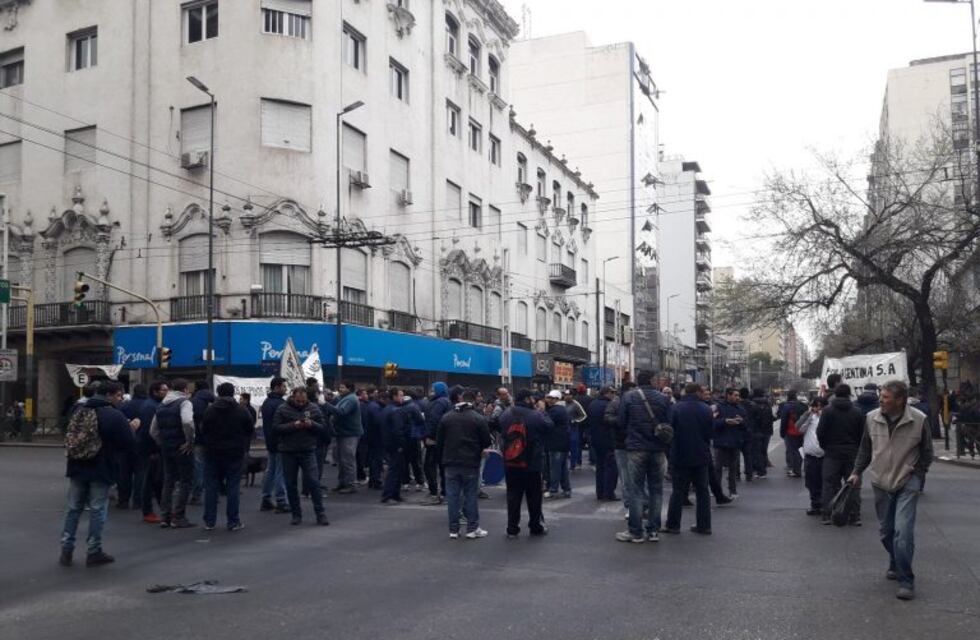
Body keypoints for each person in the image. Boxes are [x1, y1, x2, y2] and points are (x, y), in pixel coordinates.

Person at [848, 380, 933, 601]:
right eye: (881, 396)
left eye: (885, 397)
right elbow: (865, 450)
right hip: (880, 482)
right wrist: (856, 472)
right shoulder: (871, 418)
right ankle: (895, 561)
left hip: (907, 481)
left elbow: (927, 453)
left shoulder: (919, 420)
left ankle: (906, 580)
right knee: (887, 532)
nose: (881, 400)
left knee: (902, 533)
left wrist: (918, 474)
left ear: (900, 400)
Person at [59, 381, 136, 567]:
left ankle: (66, 549)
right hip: (101, 467)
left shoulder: (79, 409)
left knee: (73, 508)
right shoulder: (113, 415)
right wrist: (132, 427)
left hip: (77, 465)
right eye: (118, 395)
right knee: (97, 509)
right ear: (109, 395)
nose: (120, 399)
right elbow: (127, 443)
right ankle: (94, 550)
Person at [616, 371, 671, 543]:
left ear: (637, 381)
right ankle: (653, 531)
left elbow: (621, 422)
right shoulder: (663, 398)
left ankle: (635, 532)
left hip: (636, 448)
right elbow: (669, 422)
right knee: (656, 490)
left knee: (636, 490)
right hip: (658, 449)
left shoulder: (629, 397)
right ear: (653, 380)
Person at [437, 388, 493, 539]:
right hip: (470, 462)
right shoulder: (477, 417)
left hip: (450, 462)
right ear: (473, 400)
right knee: (470, 496)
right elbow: (486, 440)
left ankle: (453, 530)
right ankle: (472, 528)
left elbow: (440, 441)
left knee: (453, 497)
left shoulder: (447, 417)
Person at [200, 382, 255, 531]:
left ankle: (209, 521)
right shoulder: (241, 410)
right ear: (233, 393)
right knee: (233, 486)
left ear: (218, 392)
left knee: (211, 486)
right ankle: (233, 521)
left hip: (212, 451)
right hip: (234, 451)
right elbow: (249, 429)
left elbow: (203, 429)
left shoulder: (210, 410)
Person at [274, 386, 329, 526]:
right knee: (291, 484)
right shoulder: (282, 409)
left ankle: (320, 513)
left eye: (303, 401)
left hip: (308, 450)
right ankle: (296, 514)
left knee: (314, 483)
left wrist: (312, 424)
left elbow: (323, 428)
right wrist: (294, 425)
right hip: (288, 451)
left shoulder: (314, 408)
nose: (301, 404)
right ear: (292, 397)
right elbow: (275, 429)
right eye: (298, 401)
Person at [663, 383, 713, 535]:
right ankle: (704, 525)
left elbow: (670, 430)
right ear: (698, 392)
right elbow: (710, 433)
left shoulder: (676, 408)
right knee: (702, 491)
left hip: (680, 454)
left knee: (678, 491)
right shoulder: (706, 409)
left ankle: (673, 525)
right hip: (701, 454)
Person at [499, 389, 550, 538]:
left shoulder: (506, 414)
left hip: (511, 461)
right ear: (528, 399)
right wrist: (542, 410)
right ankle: (535, 526)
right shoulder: (535, 415)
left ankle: (512, 528)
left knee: (513, 495)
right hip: (532, 462)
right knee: (534, 496)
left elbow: (501, 431)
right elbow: (548, 426)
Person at [149, 378, 197, 529]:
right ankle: (179, 516)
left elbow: (153, 430)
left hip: (167, 447)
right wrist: (189, 441)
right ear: (184, 390)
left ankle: (165, 516)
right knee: (185, 480)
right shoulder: (184, 402)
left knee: (168, 481)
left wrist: (161, 441)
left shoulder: (161, 405)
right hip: (181, 447)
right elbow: (188, 422)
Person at [817, 383, 866, 526]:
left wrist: (825, 446)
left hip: (832, 452)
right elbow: (862, 434)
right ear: (849, 394)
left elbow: (820, 432)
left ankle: (827, 514)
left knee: (829, 484)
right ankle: (854, 515)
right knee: (853, 484)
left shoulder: (827, 411)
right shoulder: (857, 411)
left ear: (835, 395)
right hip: (852, 453)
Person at [321, 381, 363, 494]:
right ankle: (343, 482)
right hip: (342, 433)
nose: (340, 389)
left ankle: (351, 484)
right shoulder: (344, 398)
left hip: (349, 434)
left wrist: (325, 404)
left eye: (343, 387)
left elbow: (341, 412)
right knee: (341, 459)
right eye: (340, 387)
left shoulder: (351, 399)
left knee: (348, 460)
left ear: (349, 389)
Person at [606, 382, 639, 512]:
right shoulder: (615, 403)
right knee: (626, 477)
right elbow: (607, 418)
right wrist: (621, 421)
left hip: (636, 443)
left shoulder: (637, 402)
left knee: (638, 477)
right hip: (621, 443)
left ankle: (640, 504)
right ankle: (629, 505)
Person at [259, 377, 289, 513]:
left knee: (270, 470)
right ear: (277, 387)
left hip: (270, 440)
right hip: (280, 441)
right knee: (280, 472)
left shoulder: (267, 402)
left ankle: (266, 498)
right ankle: (281, 501)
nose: (285, 389)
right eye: (283, 387)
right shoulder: (280, 404)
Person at [115, 384, 148, 510]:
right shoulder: (148, 405)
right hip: (143, 443)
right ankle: (137, 501)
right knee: (140, 473)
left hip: (126, 443)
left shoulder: (124, 406)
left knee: (124, 473)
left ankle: (123, 500)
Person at [713, 388, 747, 499]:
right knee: (718, 468)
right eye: (735, 395)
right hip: (721, 442)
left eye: (738, 395)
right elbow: (712, 423)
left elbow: (746, 427)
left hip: (735, 442)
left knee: (733, 469)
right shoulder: (718, 407)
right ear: (728, 395)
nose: (738, 397)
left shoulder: (740, 409)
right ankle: (716, 490)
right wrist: (725, 421)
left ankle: (733, 490)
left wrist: (742, 422)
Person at [423, 382, 452, 505]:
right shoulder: (443, 401)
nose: (431, 391)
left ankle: (436, 492)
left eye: (433, 389)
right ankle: (444, 492)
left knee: (430, 465)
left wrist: (430, 436)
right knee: (441, 466)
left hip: (436, 440)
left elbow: (434, 420)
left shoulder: (439, 402)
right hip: (442, 439)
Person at [381, 387, 411, 504]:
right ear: (394, 396)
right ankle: (388, 495)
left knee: (397, 469)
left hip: (389, 443)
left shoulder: (387, 409)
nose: (402, 398)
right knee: (394, 470)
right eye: (400, 395)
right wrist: (402, 444)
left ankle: (395, 494)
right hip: (396, 445)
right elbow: (398, 430)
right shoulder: (396, 411)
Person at [798, 397, 826, 516]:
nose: (818, 409)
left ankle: (825, 505)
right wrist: (809, 414)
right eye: (816, 406)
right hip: (810, 455)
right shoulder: (810, 417)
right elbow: (799, 428)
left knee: (825, 482)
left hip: (826, 455)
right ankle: (815, 504)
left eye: (821, 406)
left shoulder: (828, 417)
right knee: (812, 482)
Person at [588, 386, 618, 501]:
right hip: (608, 439)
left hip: (595, 439)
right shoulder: (609, 405)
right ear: (607, 393)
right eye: (612, 392)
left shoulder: (593, 404)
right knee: (610, 467)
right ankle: (608, 492)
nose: (613, 395)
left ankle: (599, 492)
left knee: (600, 466)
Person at [189, 380, 215, 505]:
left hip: (198, 438)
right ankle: (213, 492)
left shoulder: (193, 401)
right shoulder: (214, 400)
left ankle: (196, 494)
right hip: (212, 438)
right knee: (211, 467)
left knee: (198, 467)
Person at [543, 390, 572, 499]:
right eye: (548, 397)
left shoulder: (555, 410)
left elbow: (545, 423)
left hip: (555, 443)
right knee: (562, 468)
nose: (548, 399)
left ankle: (553, 489)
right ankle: (566, 489)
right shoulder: (561, 409)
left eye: (551, 398)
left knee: (555, 467)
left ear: (556, 399)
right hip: (562, 443)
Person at [779, 390, 807, 477]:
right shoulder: (803, 405)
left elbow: (784, 421)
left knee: (793, 451)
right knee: (800, 450)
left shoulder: (787, 406)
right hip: (802, 431)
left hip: (791, 431)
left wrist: (782, 433)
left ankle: (796, 470)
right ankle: (799, 468)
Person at [748, 389, 775, 478]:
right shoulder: (768, 403)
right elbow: (771, 417)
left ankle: (758, 470)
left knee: (756, 451)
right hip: (767, 430)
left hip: (757, 431)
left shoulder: (752, 403)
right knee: (763, 450)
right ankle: (763, 466)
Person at [365, 389, 388, 489]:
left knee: (374, 459)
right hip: (376, 437)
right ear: (382, 399)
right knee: (377, 460)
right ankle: (376, 481)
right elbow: (378, 422)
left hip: (372, 436)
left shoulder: (373, 405)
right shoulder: (376, 407)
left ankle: (372, 481)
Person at [565, 389, 588, 470]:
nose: (567, 396)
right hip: (564, 428)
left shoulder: (576, 404)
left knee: (574, 447)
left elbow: (584, 415)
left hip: (573, 428)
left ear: (572, 396)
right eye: (566, 395)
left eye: (569, 395)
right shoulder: (561, 403)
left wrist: (576, 421)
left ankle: (573, 464)